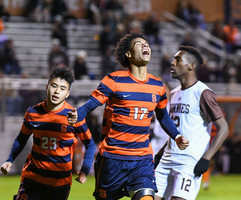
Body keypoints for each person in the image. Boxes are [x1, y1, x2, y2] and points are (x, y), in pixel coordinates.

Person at [67, 32, 189, 200]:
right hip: (112, 159)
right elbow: (89, 105)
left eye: (147, 44)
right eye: (139, 44)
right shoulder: (114, 80)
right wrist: (76, 114)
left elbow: (163, 116)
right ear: (129, 54)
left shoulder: (158, 85)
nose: (146, 45)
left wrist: (177, 136)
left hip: (142, 160)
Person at [0, 65, 96, 200]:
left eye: (62, 89)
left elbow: (90, 144)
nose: (57, 91)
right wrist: (10, 159)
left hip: (60, 185)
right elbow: (21, 139)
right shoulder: (33, 112)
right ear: (47, 87)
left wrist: (85, 170)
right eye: (54, 86)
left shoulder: (74, 117)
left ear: (67, 94)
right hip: (33, 180)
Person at [154, 46, 229, 200]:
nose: (173, 63)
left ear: (191, 66)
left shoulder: (203, 92)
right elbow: (177, 130)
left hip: (189, 162)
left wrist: (206, 158)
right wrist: (160, 154)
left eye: (178, 60)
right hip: (167, 159)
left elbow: (224, 128)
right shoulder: (174, 93)